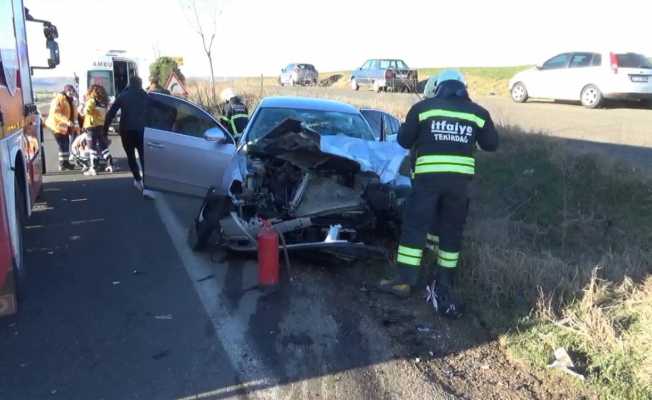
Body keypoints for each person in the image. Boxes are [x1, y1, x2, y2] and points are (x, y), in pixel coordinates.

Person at [379, 69, 498, 319]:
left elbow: (402, 140)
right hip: (459, 186)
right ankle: (444, 285)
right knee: (451, 234)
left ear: (437, 87)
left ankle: (405, 280)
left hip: (426, 183)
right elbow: (492, 144)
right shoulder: (478, 113)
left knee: (415, 228)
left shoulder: (423, 109)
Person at [103, 76, 153, 197]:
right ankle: (147, 182)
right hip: (141, 131)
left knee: (131, 156)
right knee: (143, 156)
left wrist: (105, 130)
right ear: (140, 84)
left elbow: (111, 113)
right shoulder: (145, 96)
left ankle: (137, 179)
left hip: (126, 131)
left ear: (130, 84)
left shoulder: (123, 96)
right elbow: (154, 111)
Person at [45, 84, 79, 171]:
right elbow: (56, 113)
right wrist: (67, 121)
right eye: (69, 91)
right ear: (65, 91)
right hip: (56, 125)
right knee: (62, 144)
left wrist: (75, 124)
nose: (71, 92)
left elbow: (74, 114)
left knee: (66, 143)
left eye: (72, 91)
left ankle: (65, 163)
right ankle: (62, 164)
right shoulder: (59, 99)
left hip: (64, 126)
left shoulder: (71, 100)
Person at [81, 84, 112, 176]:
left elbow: (86, 111)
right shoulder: (103, 102)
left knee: (92, 148)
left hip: (91, 126)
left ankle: (93, 168)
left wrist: (83, 106)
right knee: (103, 147)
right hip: (100, 126)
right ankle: (110, 165)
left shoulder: (92, 100)